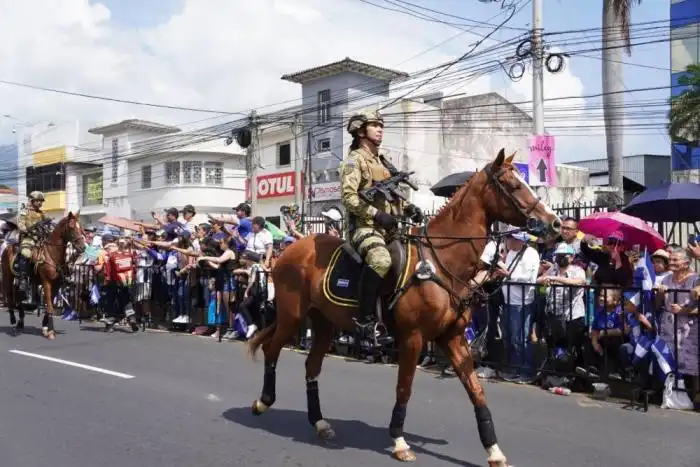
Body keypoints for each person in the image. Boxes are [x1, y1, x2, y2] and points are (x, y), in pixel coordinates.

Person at [340, 110, 422, 343]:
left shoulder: (383, 161)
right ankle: (365, 321)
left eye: (381, 125)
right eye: (374, 125)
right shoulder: (353, 160)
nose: (380, 129)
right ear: (361, 131)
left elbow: (393, 195)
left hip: (390, 228)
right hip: (364, 228)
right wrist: (377, 215)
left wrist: (408, 209)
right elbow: (349, 198)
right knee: (381, 260)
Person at [15, 191, 50, 289]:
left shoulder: (42, 213)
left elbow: (49, 224)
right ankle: (22, 277)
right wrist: (27, 229)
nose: (40, 203)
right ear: (31, 200)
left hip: (41, 238)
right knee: (26, 253)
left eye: (41, 201)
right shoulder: (24, 211)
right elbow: (20, 224)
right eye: (37, 201)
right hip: (28, 238)